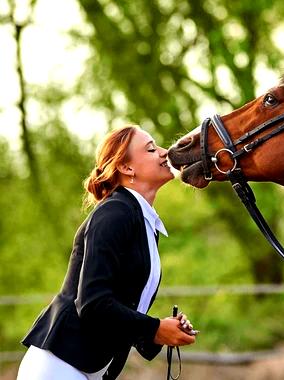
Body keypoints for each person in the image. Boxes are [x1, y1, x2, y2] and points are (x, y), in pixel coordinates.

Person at [17, 125, 195, 380]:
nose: (164, 153)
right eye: (151, 148)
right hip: (59, 366)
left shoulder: (143, 222)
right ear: (126, 167)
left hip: (87, 369)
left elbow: (122, 309)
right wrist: (155, 329)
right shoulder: (115, 213)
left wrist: (165, 332)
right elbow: (93, 303)